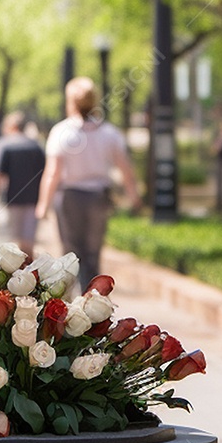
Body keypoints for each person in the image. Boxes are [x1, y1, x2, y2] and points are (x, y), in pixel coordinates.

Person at [36, 76, 142, 286]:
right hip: (98, 197)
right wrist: (134, 197)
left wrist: (43, 204)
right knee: (93, 254)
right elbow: (125, 169)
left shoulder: (61, 132)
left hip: (70, 197)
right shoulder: (109, 133)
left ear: (71, 102)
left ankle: (70, 309)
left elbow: (52, 173)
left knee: (71, 255)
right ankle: (91, 303)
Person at [0, 110, 46, 257]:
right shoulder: (36, 145)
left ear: (12, 126)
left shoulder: (4, 145)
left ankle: (17, 277)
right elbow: (45, 173)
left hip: (13, 199)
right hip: (34, 199)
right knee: (29, 242)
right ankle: (30, 275)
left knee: (14, 243)